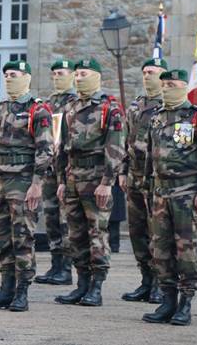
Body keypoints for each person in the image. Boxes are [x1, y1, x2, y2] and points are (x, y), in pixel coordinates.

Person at [142, 69, 197, 326]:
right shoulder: (156, 117)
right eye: (163, 84)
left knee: (185, 250)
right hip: (160, 192)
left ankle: (186, 302)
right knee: (160, 249)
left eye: (172, 84)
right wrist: (147, 186)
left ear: (183, 86)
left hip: (187, 194)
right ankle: (167, 301)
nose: (166, 88)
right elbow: (149, 156)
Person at [0, 60, 54, 312]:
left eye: (15, 75)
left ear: (27, 77)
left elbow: (45, 149)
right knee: (1, 238)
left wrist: (37, 183)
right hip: (0, 181)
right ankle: (6, 288)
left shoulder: (38, 109)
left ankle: (22, 291)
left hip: (23, 182)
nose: (9, 78)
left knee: (22, 237)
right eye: (7, 75)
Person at [54, 58, 126, 307]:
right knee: (75, 235)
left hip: (97, 179)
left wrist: (108, 182)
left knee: (97, 233)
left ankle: (96, 286)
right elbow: (62, 147)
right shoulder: (70, 107)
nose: (79, 78)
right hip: (74, 178)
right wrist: (62, 180)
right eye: (77, 74)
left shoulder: (109, 109)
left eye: (84, 73)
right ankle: (81, 283)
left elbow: (115, 147)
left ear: (96, 76)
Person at [121, 58, 166, 303]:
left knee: (156, 232)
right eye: (145, 72)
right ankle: (146, 280)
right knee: (137, 231)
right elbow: (127, 142)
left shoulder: (168, 106)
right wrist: (122, 171)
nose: (147, 76)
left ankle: (161, 282)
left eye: (153, 72)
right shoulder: (135, 106)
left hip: (155, 178)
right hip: (134, 176)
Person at [34, 59, 76, 286]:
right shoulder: (49, 103)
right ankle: (55, 263)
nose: (57, 77)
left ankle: (67, 268)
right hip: (50, 168)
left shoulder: (76, 102)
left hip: (67, 169)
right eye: (54, 74)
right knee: (50, 217)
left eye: (61, 73)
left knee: (65, 219)